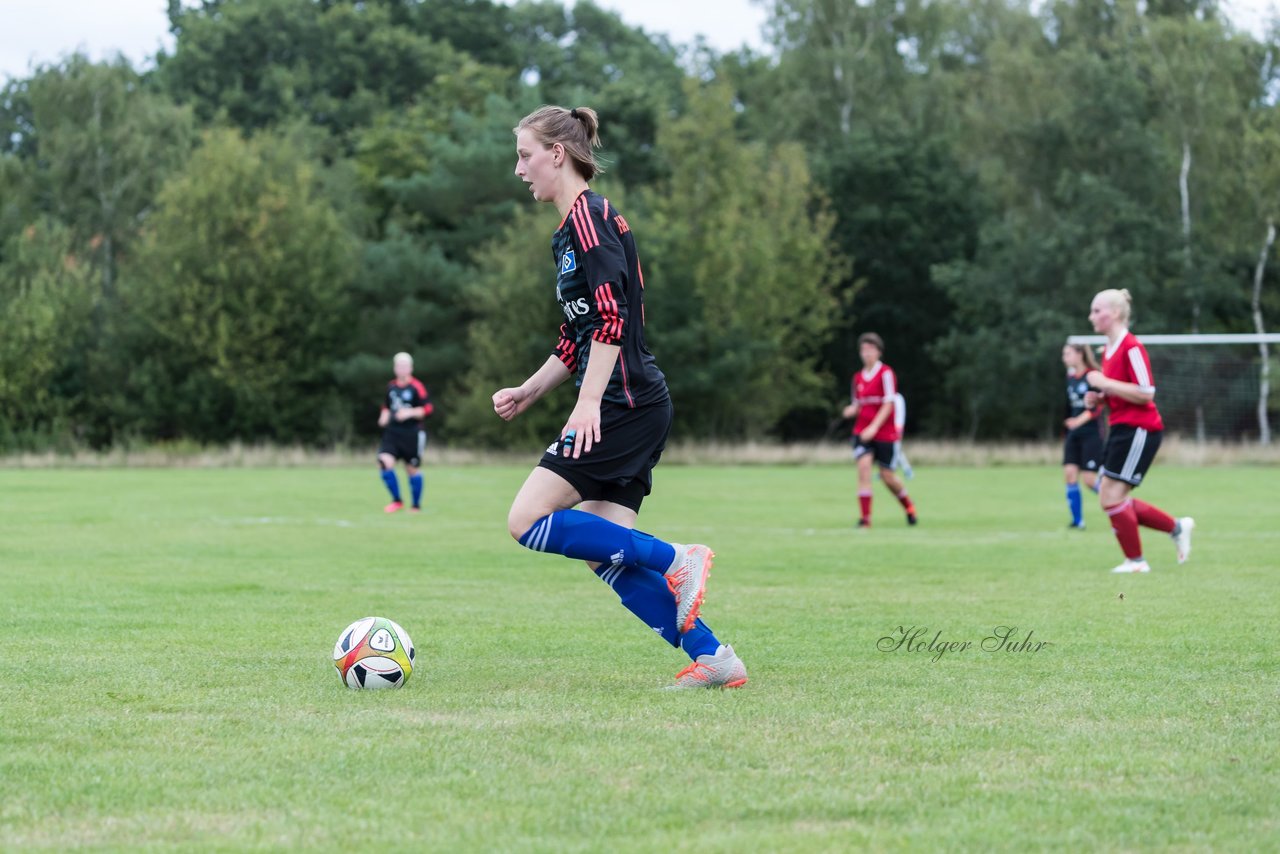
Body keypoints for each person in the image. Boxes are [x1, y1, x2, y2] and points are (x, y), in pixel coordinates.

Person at [492, 104, 747, 689]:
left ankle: (676, 558)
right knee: (601, 551)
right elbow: (578, 334)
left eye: (525, 155)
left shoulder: (590, 217)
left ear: (558, 154)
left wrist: (587, 404)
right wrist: (531, 391)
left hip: (621, 406)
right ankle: (715, 658)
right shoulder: (571, 229)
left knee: (526, 519)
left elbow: (611, 315)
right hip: (633, 403)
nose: (518, 169)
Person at [1083, 289, 1194, 573]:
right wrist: (1101, 398)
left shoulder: (1131, 346)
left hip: (1140, 430)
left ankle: (1137, 562)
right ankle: (1176, 528)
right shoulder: (1108, 349)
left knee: (1111, 496)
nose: (1091, 316)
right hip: (1121, 428)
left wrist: (1105, 383)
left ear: (1116, 313)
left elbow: (1146, 392)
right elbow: (1124, 391)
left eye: (1097, 310)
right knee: (1110, 495)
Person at [841, 332, 917, 527]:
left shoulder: (886, 374)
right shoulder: (857, 378)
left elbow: (889, 403)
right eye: (863, 350)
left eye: (870, 350)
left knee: (887, 477)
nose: (866, 353)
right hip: (862, 432)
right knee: (863, 468)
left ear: (879, 352)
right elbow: (858, 404)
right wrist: (851, 410)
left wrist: (874, 427)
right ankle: (865, 519)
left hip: (885, 433)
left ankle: (908, 506)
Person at [377, 352, 433, 513]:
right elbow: (386, 406)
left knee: (412, 470)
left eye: (405, 366)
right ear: (395, 368)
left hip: (412, 434)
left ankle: (415, 506)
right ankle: (397, 501)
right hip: (393, 433)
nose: (402, 369)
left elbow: (428, 408)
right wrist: (384, 416)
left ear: (410, 368)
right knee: (384, 462)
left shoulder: (417, 386)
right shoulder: (391, 387)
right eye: (399, 366)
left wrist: (410, 413)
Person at [1061, 342, 1104, 529]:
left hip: (1091, 434)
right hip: (1074, 434)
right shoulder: (1070, 377)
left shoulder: (1093, 376)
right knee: (1070, 474)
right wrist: (1071, 423)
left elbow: (1098, 407)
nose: (1065, 357)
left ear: (1080, 354)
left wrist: (1079, 421)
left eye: (1068, 353)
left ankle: (1118, 502)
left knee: (1089, 480)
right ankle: (1078, 522)